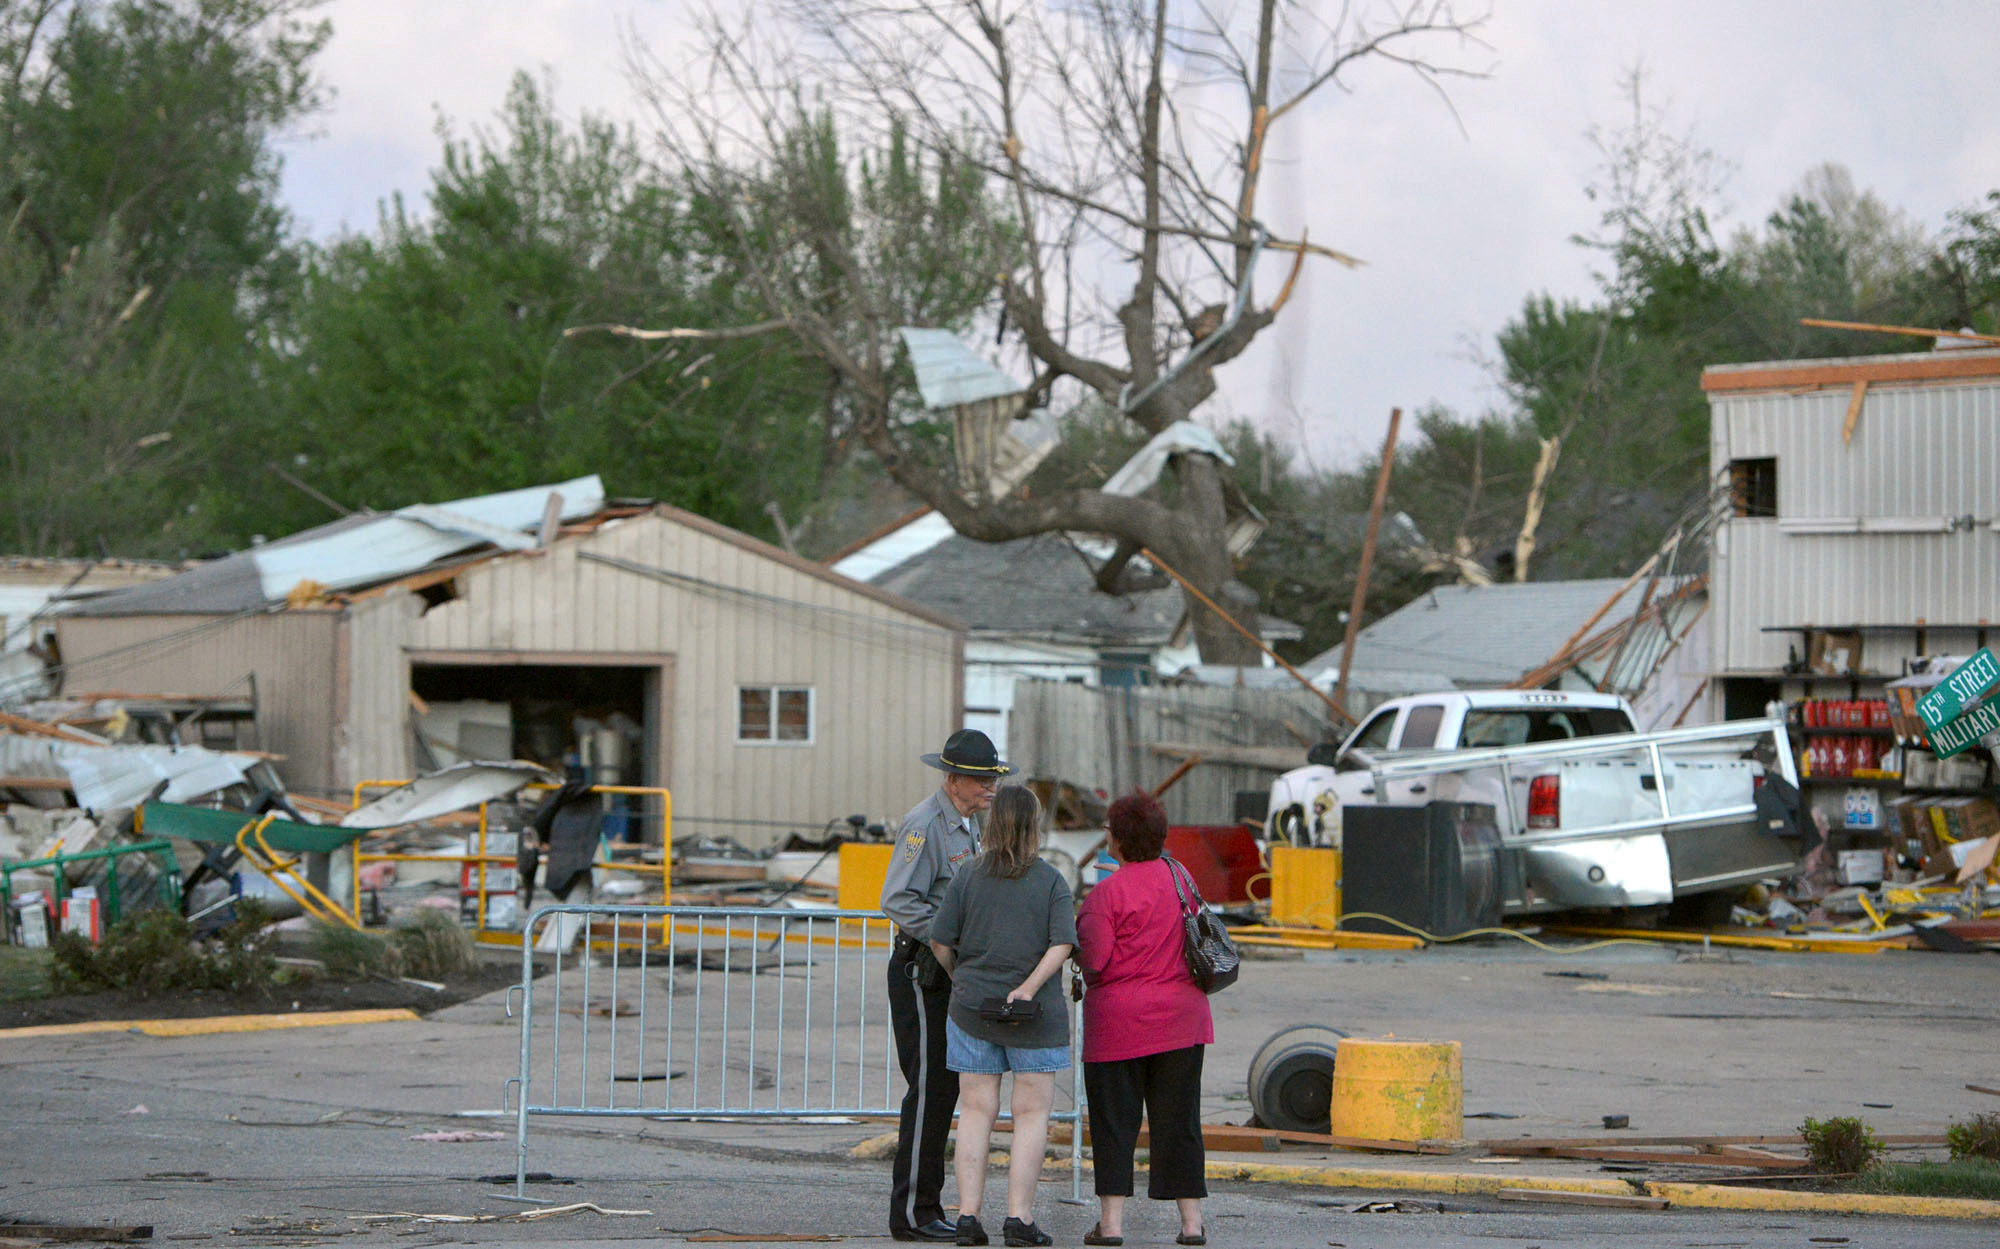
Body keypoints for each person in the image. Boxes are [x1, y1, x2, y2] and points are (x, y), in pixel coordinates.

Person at [929, 786, 1075, 1248]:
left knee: (975, 1111)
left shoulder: (967, 876)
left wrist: (961, 979)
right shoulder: (1051, 880)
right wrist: (1028, 988)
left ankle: (968, 1217)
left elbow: (939, 940)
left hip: (972, 1008)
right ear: (1034, 825)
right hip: (1035, 1014)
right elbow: (1062, 943)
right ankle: (1019, 1219)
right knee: (1031, 1114)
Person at [881, 729, 1012, 1243]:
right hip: (924, 969)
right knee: (931, 1088)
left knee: (943, 1088)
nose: (990, 790)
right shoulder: (926, 825)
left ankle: (927, 1205)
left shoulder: (968, 824)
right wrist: (946, 942)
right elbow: (899, 900)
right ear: (953, 779)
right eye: (981, 781)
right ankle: (913, 1212)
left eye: (992, 780)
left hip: (947, 970)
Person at [1074, 791, 1213, 1247]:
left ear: (1116, 840)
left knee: (1115, 1124)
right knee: (1179, 1121)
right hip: (1182, 1020)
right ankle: (1191, 1223)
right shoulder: (1182, 879)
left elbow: (1094, 962)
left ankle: (1111, 1225)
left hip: (1118, 1027)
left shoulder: (1106, 894)